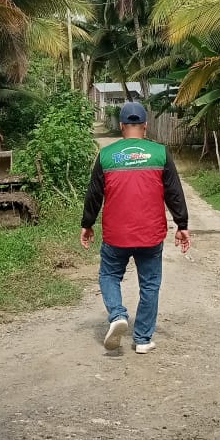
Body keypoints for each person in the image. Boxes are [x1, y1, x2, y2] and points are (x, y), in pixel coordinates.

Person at [80, 101, 190, 354]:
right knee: (150, 285)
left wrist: (87, 224)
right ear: (145, 126)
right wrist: (181, 224)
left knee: (109, 275)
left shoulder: (106, 156)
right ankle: (142, 339)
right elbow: (174, 193)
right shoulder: (160, 153)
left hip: (116, 234)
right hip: (151, 234)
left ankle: (118, 315)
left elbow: (94, 194)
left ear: (121, 126)